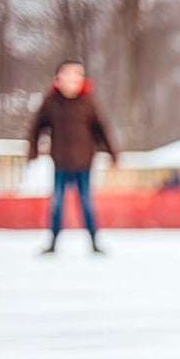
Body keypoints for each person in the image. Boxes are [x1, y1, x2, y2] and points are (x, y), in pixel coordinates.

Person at [27, 60, 117, 254]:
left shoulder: (88, 102)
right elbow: (36, 127)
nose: (73, 79)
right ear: (58, 80)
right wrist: (32, 151)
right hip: (60, 161)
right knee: (57, 202)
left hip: (84, 161)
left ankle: (94, 240)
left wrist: (112, 153)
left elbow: (101, 129)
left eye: (78, 75)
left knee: (86, 202)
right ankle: (53, 240)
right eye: (69, 75)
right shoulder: (51, 102)